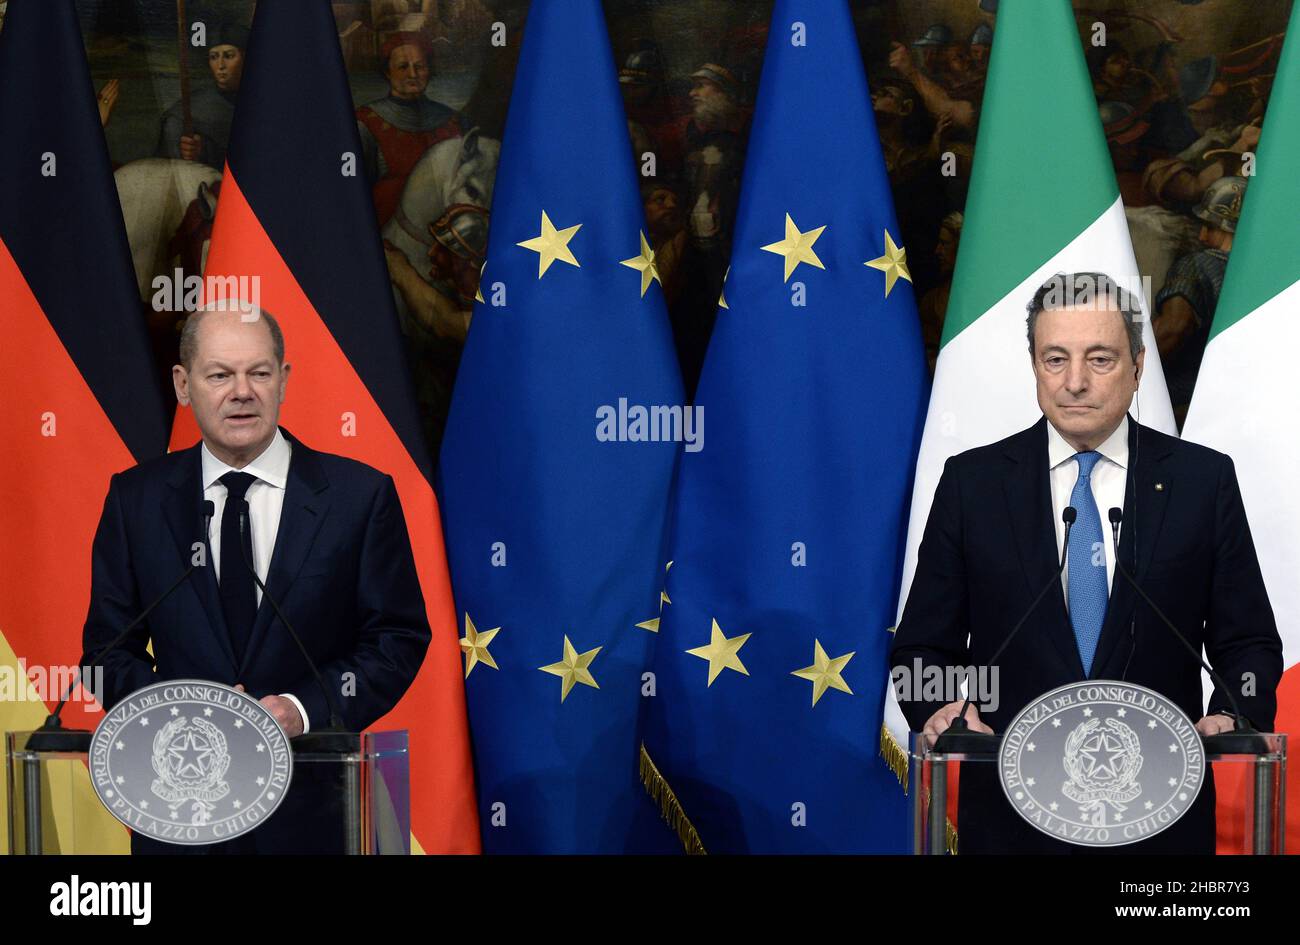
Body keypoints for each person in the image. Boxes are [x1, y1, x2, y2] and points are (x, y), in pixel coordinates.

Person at [891, 271, 1282, 854]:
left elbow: (1248, 644)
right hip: (1009, 816)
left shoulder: (1202, 481)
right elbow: (922, 650)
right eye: (1055, 359)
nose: (1074, 382)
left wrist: (1233, 712)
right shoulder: (973, 485)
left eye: (1099, 359)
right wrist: (940, 707)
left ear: (1138, 365)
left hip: (1159, 816)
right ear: (1034, 366)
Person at [80, 303, 432, 854]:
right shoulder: (136, 500)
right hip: (181, 812)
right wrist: (190, 717)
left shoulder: (358, 498)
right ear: (183, 384)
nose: (241, 391)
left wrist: (301, 708)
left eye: (259, 372)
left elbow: (397, 640)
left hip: (316, 811)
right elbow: (105, 654)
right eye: (220, 374)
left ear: (283, 380)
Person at [356, 31, 465, 226]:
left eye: (420, 66)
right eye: (403, 67)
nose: (413, 74)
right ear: (388, 72)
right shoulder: (366, 121)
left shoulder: (452, 120)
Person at [156, 22, 246, 171]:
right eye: (214, 57)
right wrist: (194, 152)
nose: (220, 65)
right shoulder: (184, 113)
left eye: (229, 56)